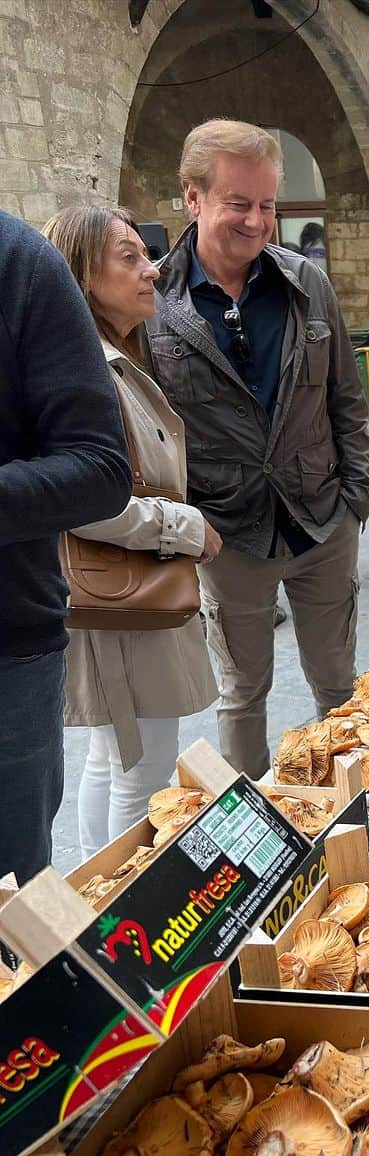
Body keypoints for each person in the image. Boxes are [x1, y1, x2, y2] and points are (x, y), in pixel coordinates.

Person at [145, 118, 369, 780]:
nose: (257, 221)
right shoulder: (156, 304)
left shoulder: (308, 284)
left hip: (321, 521)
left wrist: (356, 499)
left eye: (268, 204)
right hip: (229, 536)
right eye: (239, 203)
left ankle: (352, 819)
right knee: (243, 695)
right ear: (193, 199)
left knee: (339, 687)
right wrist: (190, 522)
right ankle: (254, 843)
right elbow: (148, 431)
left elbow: (346, 401)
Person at [43, 206, 220, 861]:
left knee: (116, 756)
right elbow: (83, 498)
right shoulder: (89, 366)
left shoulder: (108, 357)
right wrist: (185, 527)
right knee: (141, 770)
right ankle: (121, 916)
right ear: (82, 277)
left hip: (126, 594)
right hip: (124, 600)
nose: (150, 269)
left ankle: (102, 909)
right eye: (127, 257)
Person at [0, 210, 132, 885]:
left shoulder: (18, 262)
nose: (151, 273)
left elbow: (102, 468)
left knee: (12, 917)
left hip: (8, 655)